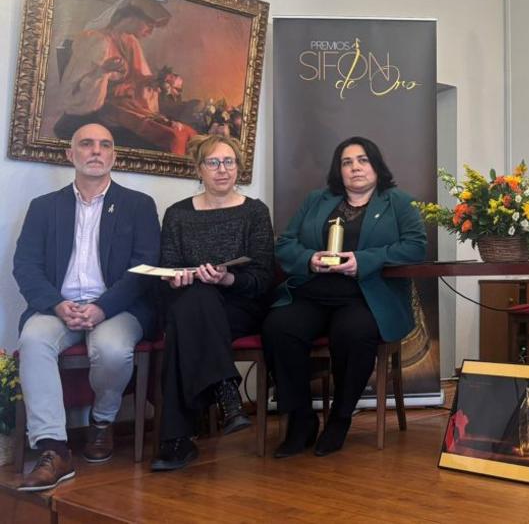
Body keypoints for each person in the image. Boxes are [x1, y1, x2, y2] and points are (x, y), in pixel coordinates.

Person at [12, 123, 160, 490]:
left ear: (114, 156)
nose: (96, 150)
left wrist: (103, 307)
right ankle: (54, 448)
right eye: (87, 144)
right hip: (57, 308)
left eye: (105, 145)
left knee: (111, 349)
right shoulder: (44, 207)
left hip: (117, 307)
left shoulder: (138, 205)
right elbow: (25, 266)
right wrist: (56, 304)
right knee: (33, 340)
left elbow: (145, 268)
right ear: (70, 154)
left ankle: (102, 422)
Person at [265, 137, 427, 458]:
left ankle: (340, 418)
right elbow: (284, 244)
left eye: (362, 160)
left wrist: (363, 260)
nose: (355, 167)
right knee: (278, 327)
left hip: (366, 295)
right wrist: (310, 258)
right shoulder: (317, 200)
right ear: (338, 170)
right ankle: (301, 419)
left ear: (376, 165)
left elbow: (416, 247)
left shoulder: (398, 202)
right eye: (347, 162)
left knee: (353, 333)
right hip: (313, 291)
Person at [151, 135, 274, 471]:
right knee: (194, 300)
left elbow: (263, 278)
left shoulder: (255, 212)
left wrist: (227, 278)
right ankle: (227, 395)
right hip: (191, 303)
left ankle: (176, 441)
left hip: (239, 306)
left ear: (238, 167)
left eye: (229, 162)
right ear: (199, 169)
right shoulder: (177, 214)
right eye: (213, 163)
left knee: (185, 323)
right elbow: (168, 267)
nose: (222, 170)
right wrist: (176, 278)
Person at [53, 0, 170, 141]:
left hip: (123, 110)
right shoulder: (96, 40)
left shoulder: (130, 42)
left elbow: (139, 78)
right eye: (149, 25)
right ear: (132, 18)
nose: (150, 32)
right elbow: (73, 91)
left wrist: (155, 82)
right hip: (93, 114)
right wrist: (102, 72)